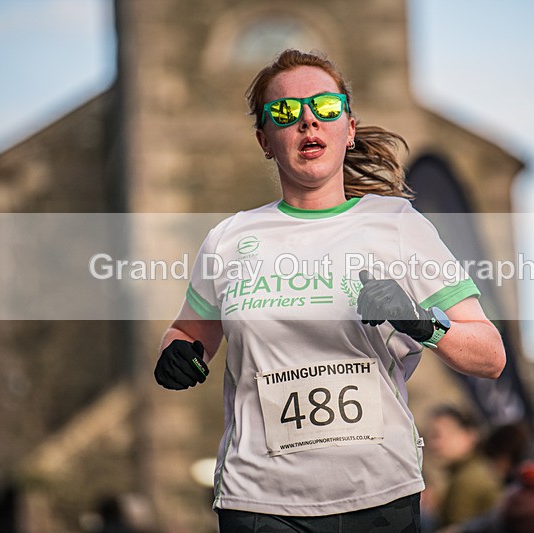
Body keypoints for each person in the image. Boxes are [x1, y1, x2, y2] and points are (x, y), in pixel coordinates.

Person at [153, 49, 505, 532]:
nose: (307, 122)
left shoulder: (398, 225)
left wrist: (423, 323)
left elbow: (489, 356)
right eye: (285, 112)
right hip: (259, 499)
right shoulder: (230, 239)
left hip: (379, 495)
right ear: (265, 140)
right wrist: (174, 354)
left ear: (349, 127)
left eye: (325, 107)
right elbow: (186, 334)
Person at [426, 405, 502, 531]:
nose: (434, 444)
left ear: (469, 435)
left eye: (438, 435)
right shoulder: (471, 471)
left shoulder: (469, 479)